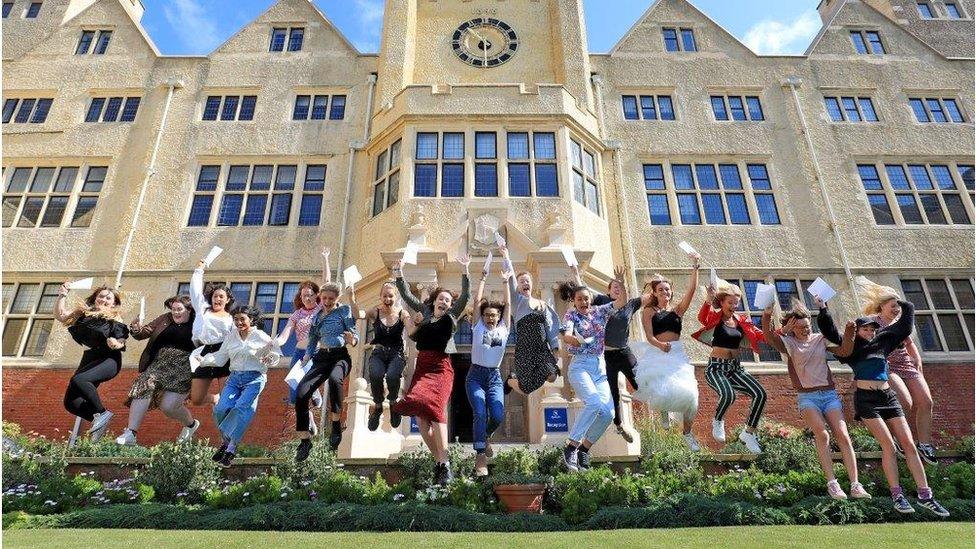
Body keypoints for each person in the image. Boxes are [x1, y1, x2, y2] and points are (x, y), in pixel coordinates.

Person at [830, 299, 948, 517]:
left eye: (872, 329)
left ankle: (926, 496)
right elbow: (831, 334)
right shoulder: (851, 351)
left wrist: (902, 303)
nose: (870, 332)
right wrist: (823, 309)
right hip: (867, 400)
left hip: (888, 396)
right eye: (865, 329)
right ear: (858, 331)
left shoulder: (882, 342)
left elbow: (905, 326)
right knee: (889, 447)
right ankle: (897, 495)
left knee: (910, 445)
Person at [761, 298, 869, 500]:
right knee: (823, 434)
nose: (805, 330)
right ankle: (832, 483)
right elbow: (768, 336)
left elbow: (845, 350)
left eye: (808, 326)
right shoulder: (789, 344)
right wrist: (767, 314)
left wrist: (848, 332)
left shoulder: (821, 339)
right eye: (800, 327)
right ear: (792, 328)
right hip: (808, 397)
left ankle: (856, 485)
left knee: (843, 435)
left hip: (829, 394)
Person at [391, 256, 471, 485]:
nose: (444, 302)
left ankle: (444, 463)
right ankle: (439, 462)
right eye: (441, 299)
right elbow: (406, 295)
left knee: (436, 411)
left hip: (441, 367)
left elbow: (464, 297)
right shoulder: (424, 311)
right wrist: (399, 274)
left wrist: (465, 270)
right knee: (420, 418)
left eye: (448, 300)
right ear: (434, 300)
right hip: (423, 366)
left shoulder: (450, 318)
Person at [858, 276, 936, 464]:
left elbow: (909, 343)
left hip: (906, 365)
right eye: (893, 305)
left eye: (898, 306)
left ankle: (924, 445)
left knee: (926, 402)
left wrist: (916, 358)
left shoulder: (900, 323)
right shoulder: (874, 324)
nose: (896, 309)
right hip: (888, 366)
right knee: (905, 402)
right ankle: (896, 438)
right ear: (882, 306)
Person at [558, 277, 628, 472]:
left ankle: (583, 450)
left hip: (599, 367)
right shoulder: (571, 315)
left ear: (591, 300)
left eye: (586, 299)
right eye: (579, 299)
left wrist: (621, 284)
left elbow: (622, 302)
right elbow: (566, 335)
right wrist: (574, 340)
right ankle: (571, 446)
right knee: (594, 403)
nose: (583, 302)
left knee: (608, 413)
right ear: (574, 300)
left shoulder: (599, 311)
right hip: (580, 366)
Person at [632, 255, 701, 451]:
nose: (665, 292)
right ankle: (663, 411)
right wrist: (660, 346)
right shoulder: (649, 311)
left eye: (667, 289)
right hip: (658, 351)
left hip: (677, 354)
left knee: (691, 394)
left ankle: (687, 433)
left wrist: (695, 266)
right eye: (661, 289)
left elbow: (692, 290)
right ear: (654, 292)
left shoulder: (678, 310)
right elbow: (649, 335)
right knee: (662, 389)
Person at [570, 265, 646, 444]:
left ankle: (661, 405)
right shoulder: (601, 303)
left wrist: (622, 280)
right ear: (608, 290)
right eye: (614, 287)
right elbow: (584, 295)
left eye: (620, 287)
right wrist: (576, 274)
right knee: (613, 393)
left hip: (624, 351)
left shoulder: (629, 304)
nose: (617, 289)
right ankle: (619, 425)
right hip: (606, 356)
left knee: (639, 381)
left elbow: (647, 297)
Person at [198, 305, 280, 468]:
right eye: (236, 319)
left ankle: (231, 448)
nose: (239, 322)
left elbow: (275, 356)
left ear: (251, 320)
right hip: (234, 379)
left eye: (242, 319)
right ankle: (226, 442)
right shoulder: (231, 337)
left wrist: (270, 359)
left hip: (254, 379)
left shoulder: (261, 336)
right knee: (221, 409)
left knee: (241, 408)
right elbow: (220, 358)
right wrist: (202, 360)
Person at [691, 278, 767, 453]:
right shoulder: (716, 318)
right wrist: (708, 300)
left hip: (735, 368)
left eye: (736, 303)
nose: (733, 306)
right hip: (716, 368)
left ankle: (749, 432)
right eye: (730, 302)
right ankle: (718, 420)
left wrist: (782, 332)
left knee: (760, 393)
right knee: (728, 394)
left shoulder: (741, 321)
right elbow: (702, 317)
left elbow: (761, 335)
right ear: (722, 302)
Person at [116, 295, 200, 446]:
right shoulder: (165, 319)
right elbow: (143, 333)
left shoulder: (197, 322)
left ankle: (191, 425)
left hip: (184, 367)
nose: (175, 313)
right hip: (159, 364)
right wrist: (135, 327)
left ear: (189, 310)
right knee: (144, 384)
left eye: (179, 309)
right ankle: (131, 433)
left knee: (168, 407)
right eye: (173, 309)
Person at [54, 284, 129, 442]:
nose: (103, 299)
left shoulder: (114, 317)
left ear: (113, 303)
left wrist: (115, 343)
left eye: (108, 298)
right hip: (90, 358)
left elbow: (121, 339)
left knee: (79, 379)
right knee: (71, 402)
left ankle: (102, 413)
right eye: (101, 296)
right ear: (95, 298)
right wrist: (62, 295)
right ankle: (98, 420)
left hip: (109, 359)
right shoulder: (83, 313)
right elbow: (61, 316)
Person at [294, 282, 359, 461]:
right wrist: (307, 356)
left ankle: (336, 423)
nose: (327, 301)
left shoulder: (343, 311)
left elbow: (355, 335)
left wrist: (352, 340)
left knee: (334, 379)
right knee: (301, 393)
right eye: (324, 298)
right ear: (319, 298)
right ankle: (305, 441)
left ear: (337, 298)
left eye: (331, 299)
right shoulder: (316, 316)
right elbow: (313, 338)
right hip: (321, 358)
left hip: (340, 357)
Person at [467, 264, 512, 476]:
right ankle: (480, 457)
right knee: (479, 411)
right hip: (475, 376)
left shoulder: (504, 329)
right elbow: (477, 301)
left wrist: (505, 281)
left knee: (496, 413)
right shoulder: (478, 327)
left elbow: (509, 304)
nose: (490, 318)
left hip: (494, 376)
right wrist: (483, 277)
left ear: (499, 316)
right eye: (486, 315)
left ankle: (485, 437)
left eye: (493, 315)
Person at [498, 245, 561, 396]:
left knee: (552, 375)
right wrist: (506, 256)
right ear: (518, 287)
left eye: (527, 281)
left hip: (541, 349)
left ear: (531, 284)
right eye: (522, 282)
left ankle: (514, 380)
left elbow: (551, 327)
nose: (525, 283)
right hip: (525, 349)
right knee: (525, 389)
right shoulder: (517, 303)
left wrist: (555, 348)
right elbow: (512, 278)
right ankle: (510, 381)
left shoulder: (543, 304)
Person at [348, 280, 410, 432]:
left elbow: (410, 328)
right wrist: (351, 298)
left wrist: (415, 323)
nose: (388, 300)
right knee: (375, 374)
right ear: (380, 297)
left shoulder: (402, 313)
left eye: (391, 296)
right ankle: (377, 406)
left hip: (397, 353)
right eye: (385, 296)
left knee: (392, 376)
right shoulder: (374, 312)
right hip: (379, 352)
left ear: (396, 297)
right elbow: (358, 315)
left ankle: (394, 403)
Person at [276, 279, 323, 434]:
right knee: (295, 395)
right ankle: (308, 417)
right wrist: (274, 343)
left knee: (306, 381)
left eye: (310, 295)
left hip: (315, 352)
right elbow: (284, 336)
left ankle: (314, 389)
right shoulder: (297, 315)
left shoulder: (321, 309)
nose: (307, 299)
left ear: (316, 295)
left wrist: (325, 258)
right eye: (304, 296)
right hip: (298, 353)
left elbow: (327, 281)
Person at [189, 260, 235, 407]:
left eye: (221, 296)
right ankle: (215, 399)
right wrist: (199, 270)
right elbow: (195, 290)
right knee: (196, 399)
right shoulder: (203, 309)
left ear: (227, 300)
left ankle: (226, 427)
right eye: (215, 296)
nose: (218, 299)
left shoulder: (231, 318)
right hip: (203, 352)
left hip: (223, 353)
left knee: (227, 398)